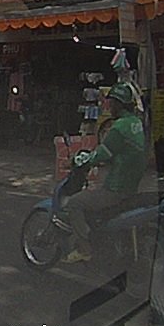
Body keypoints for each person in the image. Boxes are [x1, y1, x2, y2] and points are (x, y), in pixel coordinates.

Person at [62, 83, 147, 263]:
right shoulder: (136, 123)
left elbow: (101, 153)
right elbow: (123, 152)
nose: (109, 107)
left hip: (116, 189)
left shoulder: (119, 128)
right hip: (132, 186)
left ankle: (84, 249)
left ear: (119, 104)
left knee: (75, 203)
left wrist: (77, 161)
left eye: (111, 104)